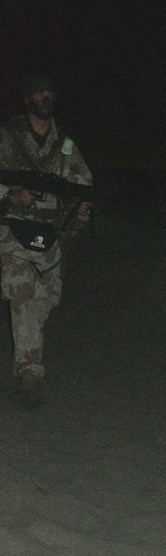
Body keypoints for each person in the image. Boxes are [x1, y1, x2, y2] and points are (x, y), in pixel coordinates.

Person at [0, 74, 93, 406]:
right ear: (27, 100)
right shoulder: (7, 138)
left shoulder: (64, 145)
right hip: (11, 231)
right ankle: (30, 374)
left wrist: (80, 207)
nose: (45, 97)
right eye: (38, 92)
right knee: (22, 296)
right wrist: (11, 195)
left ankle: (29, 353)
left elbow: (81, 185)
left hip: (48, 235)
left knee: (46, 299)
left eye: (49, 92)